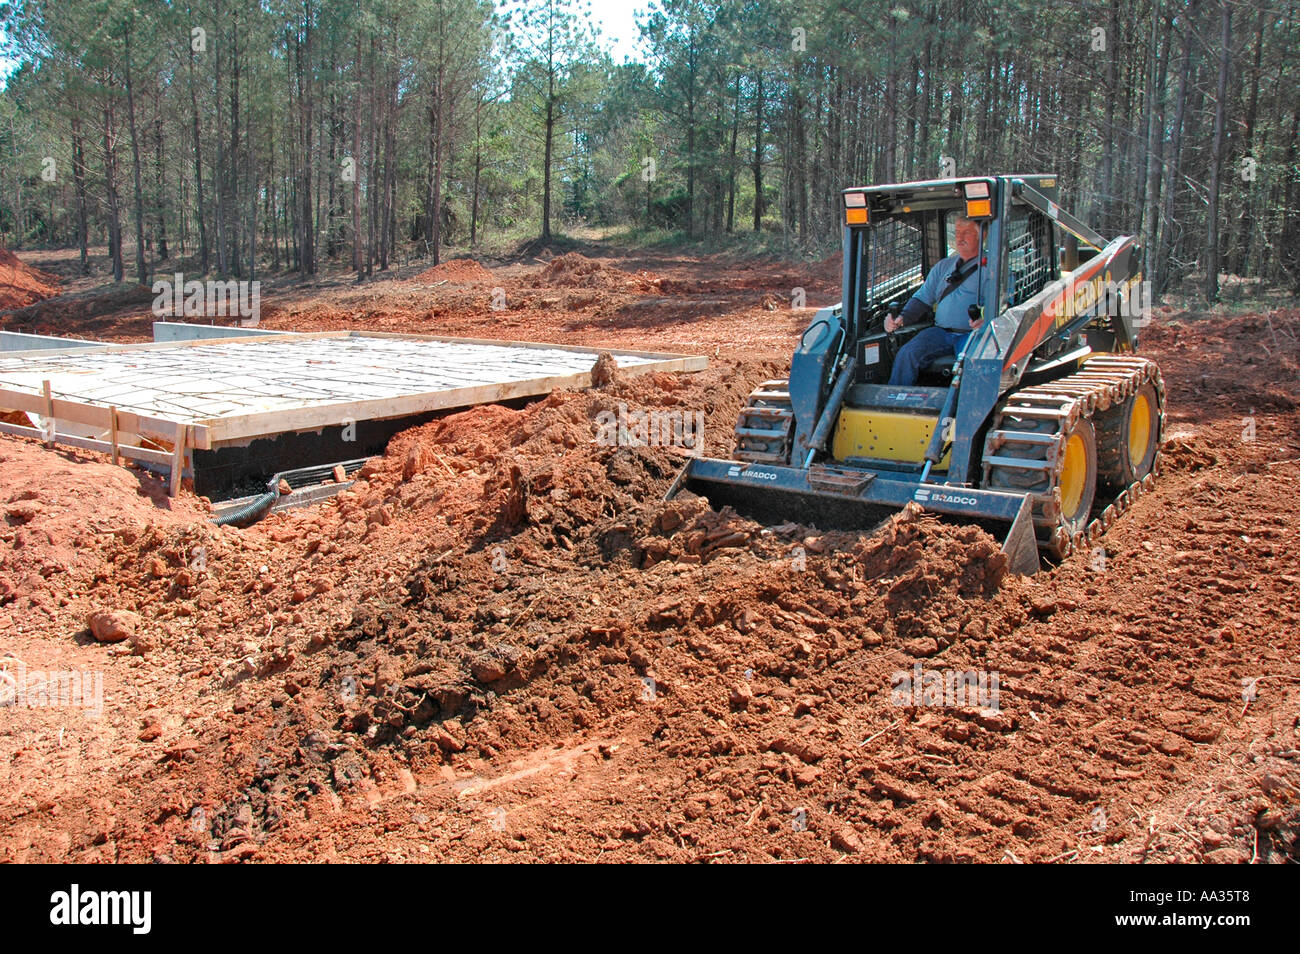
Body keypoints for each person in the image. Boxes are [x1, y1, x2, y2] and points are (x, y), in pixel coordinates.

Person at [884, 216, 986, 386]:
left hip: (971, 334)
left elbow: (1002, 304)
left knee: (972, 363)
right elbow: (923, 298)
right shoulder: (943, 266)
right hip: (941, 333)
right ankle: (893, 401)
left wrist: (986, 320)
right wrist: (901, 318)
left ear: (982, 235)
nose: (959, 238)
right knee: (907, 353)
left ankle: (966, 409)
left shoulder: (992, 267)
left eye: (966, 233)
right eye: (957, 232)